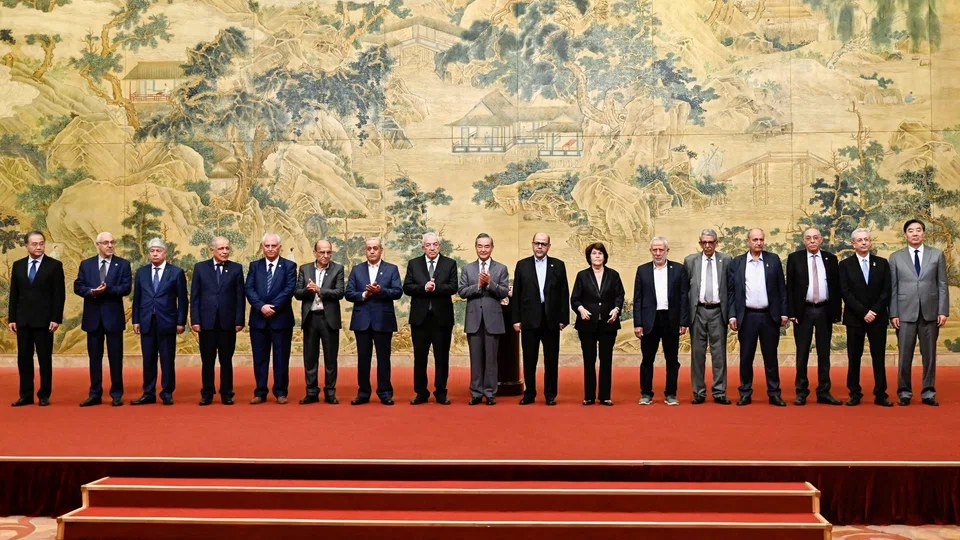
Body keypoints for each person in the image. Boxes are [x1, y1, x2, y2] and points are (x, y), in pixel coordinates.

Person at [890, 219, 949, 406]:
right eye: (910, 230)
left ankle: (928, 392)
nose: (914, 234)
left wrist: (943, 310)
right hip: (904, 312)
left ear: (924, 233)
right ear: (905, 234)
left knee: (929, 355)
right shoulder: (896, 257)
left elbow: (942, 285)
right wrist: (893, 313)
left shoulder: (937, 255)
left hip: (930, 312)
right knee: (904, 354)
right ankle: (904, 392)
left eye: (918, 230)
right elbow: (893, 287)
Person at [727, 228, 788, 407]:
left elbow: (781, 289)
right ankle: (745, 392)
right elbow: (732, 292)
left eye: (761, 239)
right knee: (746, 357)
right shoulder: (737, 263)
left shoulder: (773, 260)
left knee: (771, 357)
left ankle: (774, 393)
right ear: (748, 241)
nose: (758, 243)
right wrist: (732, 315)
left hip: (769, 317)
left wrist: (784, 312)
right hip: (747, 317)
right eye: (755, 239)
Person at [786, 228, 843, 406]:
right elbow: (790, 288)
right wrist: (792, 312)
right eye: (808, 238)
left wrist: (836, 312)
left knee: (824, 353)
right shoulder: (795, 259)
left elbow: (836, 287)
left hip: (824, 310)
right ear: (804, 241)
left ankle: (824, 391)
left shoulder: (831, 259)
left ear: (821, 240)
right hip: (803, 311)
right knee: (802, 353)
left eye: (815, 238)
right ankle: (801, 391)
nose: (812, 241)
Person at [74, 232, 131, 407]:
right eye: (106, 242)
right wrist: (91, 292)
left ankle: (116, 393)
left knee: (115, 358)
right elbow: (78, 286)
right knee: (95, 359)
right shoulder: (87, 264)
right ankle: (95, 393)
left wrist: (108, 289)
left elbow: (126, 288)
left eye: (112, 242)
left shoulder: (122, 264)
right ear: (97, 245)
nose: (110, 245)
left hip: (113, 318)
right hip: (93, 319)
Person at [8, 231, 65, 407]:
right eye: (34, 244)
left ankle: (44, 395)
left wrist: (56, 318)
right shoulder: (18, 265)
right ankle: (25, 395)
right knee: (23, 359)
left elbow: (59, 295)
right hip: (23, 321)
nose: (39, 247)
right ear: (26, 246)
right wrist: (12, 318)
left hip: (45, 321)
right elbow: (14, 295)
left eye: (41, 243)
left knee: (44, 359)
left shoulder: (54, 265)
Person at [512, 232, 569, 405]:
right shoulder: (522, 265)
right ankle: (529, 393)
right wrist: (516, 319)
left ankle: (550, 394)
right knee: (529, 359)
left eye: (543, 244)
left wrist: (563, 318)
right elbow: (517, 294)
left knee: (551, 358)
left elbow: (563, 293)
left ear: (548, 247)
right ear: (532, 244)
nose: (540, 247)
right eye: (537, 243)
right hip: (529, 319)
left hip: (551, 319)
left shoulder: (558, 265)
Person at [345, 237, 402, 405]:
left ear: (381, 250)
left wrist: (380, 290)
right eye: (369, 248)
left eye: (375, 248)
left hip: (383, 320)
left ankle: (385, 392)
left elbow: (398, 292)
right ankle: (363, 393)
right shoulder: (357, 270)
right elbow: (349, 293)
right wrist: (364, 294)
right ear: (365, 250)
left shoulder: (391, 269)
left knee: (384, 358)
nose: (371, 251)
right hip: (362, 320)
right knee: (363, 358)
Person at [403, 232, 458, 405]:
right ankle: (421, 392)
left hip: (442, 319)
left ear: (439, 246)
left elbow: (453, 287)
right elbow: (407, 287)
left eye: (435, 244)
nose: (432, 248)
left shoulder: (449, 263)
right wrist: (423, 287)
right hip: (420, 319)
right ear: (423, 247)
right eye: (428, 245)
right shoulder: (414, 264)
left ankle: (441, 392)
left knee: (442, 358)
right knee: (420, 358)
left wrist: (435, 288)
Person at [839, 228, 892, 407]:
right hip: (855, 318)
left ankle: (881, 394)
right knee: (854, 357)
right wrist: (863, 312)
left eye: (866, 239)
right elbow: (845, 292)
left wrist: (874, 311)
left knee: (879, 357)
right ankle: (854, 393)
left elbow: (886, 291)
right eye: (859, 240)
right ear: (853, 243)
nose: (863, 242)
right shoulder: (845, 265)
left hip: (877, 318)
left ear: (870, 242)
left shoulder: (882, 263)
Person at [131, 238, 187, 406]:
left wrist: (181, 322)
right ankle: (148, 392)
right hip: (147, 321)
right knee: (148, 359)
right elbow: (137, 299)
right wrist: (136, 320)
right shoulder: (142, 272)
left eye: (158, 251)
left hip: (168, 322)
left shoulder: (176, 272)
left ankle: (167, 392)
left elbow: (183, 300)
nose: (154, 253)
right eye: (152, 251)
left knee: (167, 359)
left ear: (165, 253)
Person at [633, 237, 689, 405]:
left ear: (667, 251)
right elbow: (638, 299)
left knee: (672, 359)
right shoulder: (642, 270)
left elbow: (684, 297)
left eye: (661, 250)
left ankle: (671, 394)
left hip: (671, 319)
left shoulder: (679, 270)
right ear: (650, 251)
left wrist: (683, 321)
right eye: (654, 250)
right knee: (647, 359)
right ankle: (646, 394)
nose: (658, 253)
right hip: (650, 320)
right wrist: (638, 323)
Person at [190, 236, 245, 406]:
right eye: (221, 249)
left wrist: (239, 320)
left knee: (226, 360)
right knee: (207, 360)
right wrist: (195, 320)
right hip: (206, 322)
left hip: (227, 323)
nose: (225, 251)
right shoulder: (200, 268)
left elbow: (239, 297)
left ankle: (227, 393)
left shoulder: (236, 269)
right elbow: (195, 296)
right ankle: (207, 393)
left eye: (227, 248)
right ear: (212, 250)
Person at [245, 233, 297, 405]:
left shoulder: (289, 266)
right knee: (260, 358)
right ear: (262, 247)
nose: (270, 249)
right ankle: (260, 391)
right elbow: (249, 289)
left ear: (279, 247)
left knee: (281, 358)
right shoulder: (255, 266)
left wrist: (272, 307)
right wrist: (261, 306)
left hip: (281, 319)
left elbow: (289, 289)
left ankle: (281, 392)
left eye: (273, 246)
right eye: (267, 246)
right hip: (258, 320)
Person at [458, 233, 510, 406]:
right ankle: (476, 392)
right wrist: (478, 286)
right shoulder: (468, 269)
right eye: (480, 246)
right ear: (475, 247)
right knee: (476, 358)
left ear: (492, 248)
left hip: (493, 320)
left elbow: (503, 292)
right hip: (474, 320)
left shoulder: (501, 268)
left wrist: (489, 283)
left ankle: (490, 393)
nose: (483, 249)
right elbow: (462, 292)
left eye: (487, 246)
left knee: (491, 359)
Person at [683, 229, 733, 405]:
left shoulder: (726, 260)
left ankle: (719, 391)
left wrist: (731, 314)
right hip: (698, 311)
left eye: (711, 242)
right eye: (704, 242)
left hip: (719, 312)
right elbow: (685, 291)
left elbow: (731, 289)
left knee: (719, 354)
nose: (707, 245)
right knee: (697, 354)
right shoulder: (690, 261)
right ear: (700, 243)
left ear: (716, 243)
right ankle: (699, 392)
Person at [571, 242, 624, 406]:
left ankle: (605, 396)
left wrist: (616, 309)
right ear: (589, 257)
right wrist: (581, 309)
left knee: (606, 360)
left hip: (608, 323)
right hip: (587, 324)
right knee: (589, 360)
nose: (597, 256)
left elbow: (619, 295)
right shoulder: (582, 275)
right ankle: (589, 396)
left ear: (605, 256)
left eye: (600, 253)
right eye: (594, 253)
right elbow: (575, 299)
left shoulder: (613, 275)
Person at [293, 239, 344, 405]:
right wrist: (309, 290)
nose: (325, 255)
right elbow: (297, 293)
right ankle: (311, 391)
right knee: (310, 357)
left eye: (328, 252)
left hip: (329, 318)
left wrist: (320, 290)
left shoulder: (338, 269)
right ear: (315, 253)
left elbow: (339, 292)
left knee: (331, 358)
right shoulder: (305, 269)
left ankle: (330, 392)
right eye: (322, 252)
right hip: (311, 318)